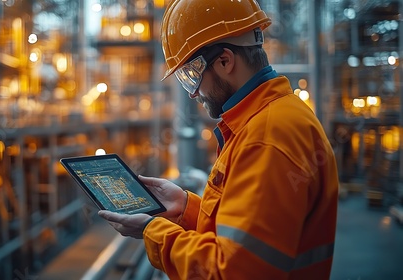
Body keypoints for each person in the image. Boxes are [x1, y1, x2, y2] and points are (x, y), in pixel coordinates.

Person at [99, 0, 339, 279]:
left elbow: (230, 272)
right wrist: (185, 207)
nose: (192, 93)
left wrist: (150, 231)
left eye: (192, 76)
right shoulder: (276, 117)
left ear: (225, 61)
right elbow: (245, 237)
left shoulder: (264, 139)